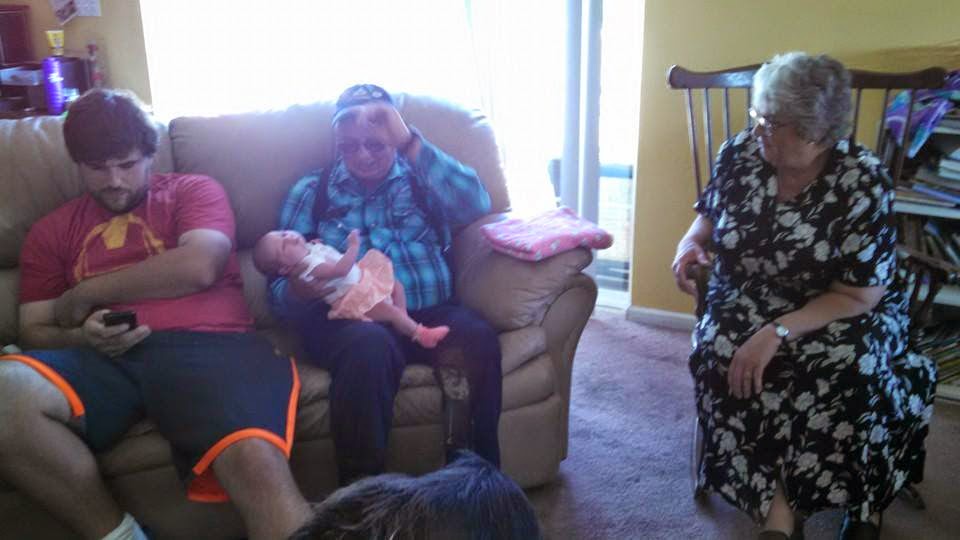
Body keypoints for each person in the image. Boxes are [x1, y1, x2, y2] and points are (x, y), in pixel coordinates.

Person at [0, 89, 312, 540]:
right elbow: (33, 329)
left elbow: (200, 266)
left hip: (213, 348)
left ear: (150, 154)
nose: (113, 180)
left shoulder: (194, 191)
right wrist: (83, 337)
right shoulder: (50, 232)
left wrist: (87, 292)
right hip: (103, 360)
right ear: (77, 163)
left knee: (255, 461)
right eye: (97, 167)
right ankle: (122, 535)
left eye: (127, 164)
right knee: (6, 394)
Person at [671, 52, 936, 540]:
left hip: (842, 306)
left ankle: (861, 503)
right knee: (719, 352)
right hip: (748, 294)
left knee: (851, 366)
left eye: (773, 123)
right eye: (758, 115)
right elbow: (708, 215)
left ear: (818, 133)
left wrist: (776, 332)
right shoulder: (739, 155)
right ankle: (777, 511)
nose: (758, 129)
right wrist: (689, 244)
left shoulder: (862, 180)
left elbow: (859, 294)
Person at [269, 84, 502, 484]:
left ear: (394, 135)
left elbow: (478, 205)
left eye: (375, 144)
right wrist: (296, 291)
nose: (362, 156)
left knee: (476, 338)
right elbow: (275, 284)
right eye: (349, 146)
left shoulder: (423, 175)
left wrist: (410, 142)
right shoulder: (312, 190)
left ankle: (475, 484)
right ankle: (363, 496)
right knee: (368, 347)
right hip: (352, 320)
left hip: (430, 309)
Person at [253, 228, 450, 348]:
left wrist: (314, 245)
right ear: (285, 269)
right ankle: (421, 334)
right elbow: (340, 270)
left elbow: (318, 250)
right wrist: (353, 247)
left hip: (364, 281)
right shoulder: (308, 267)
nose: (289, 238)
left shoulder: (309, 250)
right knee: (390, 314)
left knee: (397, 286)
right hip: (355, 297)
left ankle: (403, 322)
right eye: (283, 246)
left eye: (283, 233)